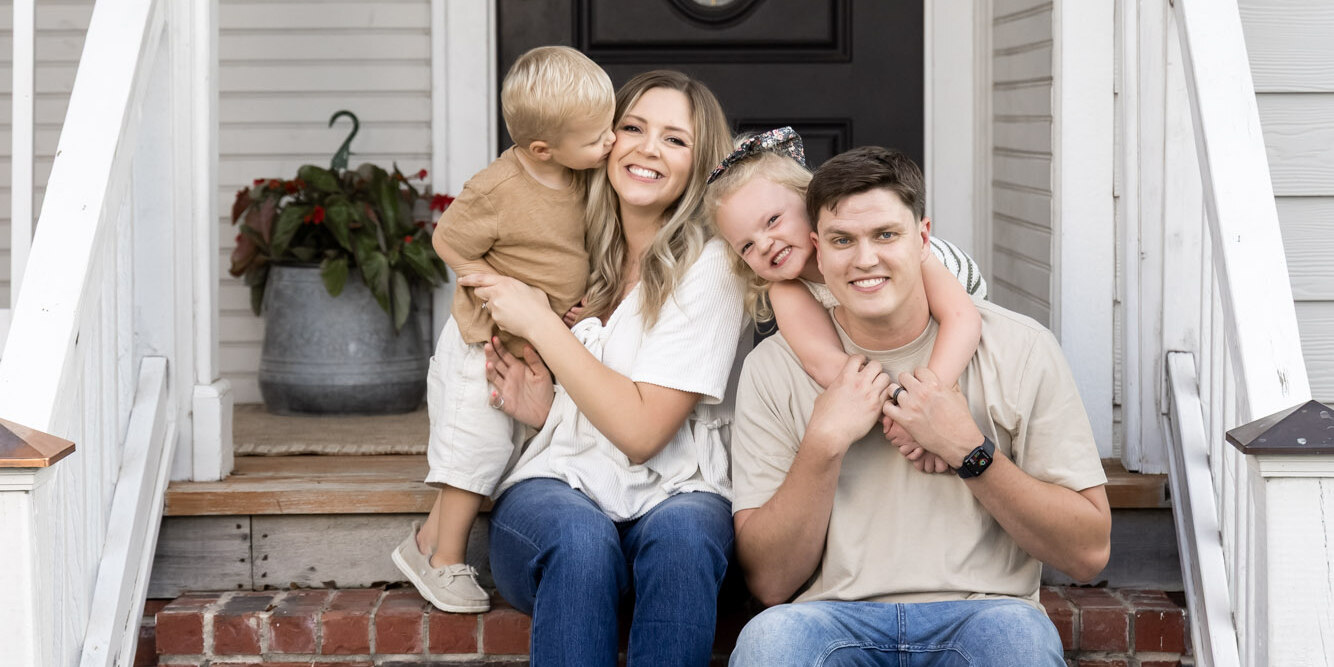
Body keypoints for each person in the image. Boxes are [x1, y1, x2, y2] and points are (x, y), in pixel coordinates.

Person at [728, 146, 1111, 665]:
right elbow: (770, 584)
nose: (865, 259)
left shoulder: (1020, 347)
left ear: (923, 238)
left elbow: (1088, 555)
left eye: (886, 235)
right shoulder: (775, 366)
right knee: (769, 641)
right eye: (843, 240)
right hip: (830, 618)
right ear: (817, 248)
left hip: (985, 612)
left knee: (1019, 642)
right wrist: (823, 442)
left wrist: (967, 449)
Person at [457, 70, 745, 666]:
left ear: (702, 162)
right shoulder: (571, 247)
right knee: (581, 542)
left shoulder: (711, 265)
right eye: (633, 128)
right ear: (604, 142)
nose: (647, 148)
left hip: (679, 487)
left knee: (686, 537)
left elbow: (642, 433)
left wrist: (539, 322)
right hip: (558, 492)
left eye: (675, 139)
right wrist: (551, 412)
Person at [391, 45, 615, 614]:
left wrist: (580, 300)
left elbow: (567, 252)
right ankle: (444, 560)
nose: (611, 142)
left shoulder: (581, 173)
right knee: (475, 450)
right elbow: (448, 241)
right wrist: (492, 285)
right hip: (482, 343)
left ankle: (422, 545)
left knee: (499, 452)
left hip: (534, 342)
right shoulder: (497, 189)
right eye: (597, 138)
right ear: (542, 148)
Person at [705, 127, 985, 473]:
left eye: (773, 221)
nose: (763, 245)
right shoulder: (786, 288)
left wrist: (924, 411)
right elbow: (827, 363)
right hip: (889, 348)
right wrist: (901, 416)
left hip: (951, 316)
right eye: (746, 245)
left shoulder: (901, 252)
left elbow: (962, 318)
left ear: (810, 203)